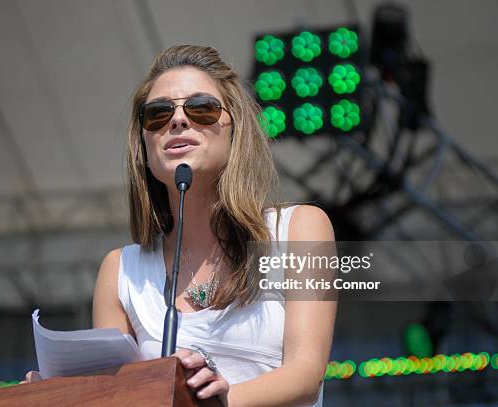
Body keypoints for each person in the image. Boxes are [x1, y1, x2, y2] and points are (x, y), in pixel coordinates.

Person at [25, 45, 336, 407]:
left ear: (235, 129)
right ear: (144, 144)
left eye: (201, 108)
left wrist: (221, 400)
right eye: (157, 114)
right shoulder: (120, 271)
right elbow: (117, 399)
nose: (177, 120)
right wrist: (59, 396)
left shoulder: (300, 228)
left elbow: (306, 373)